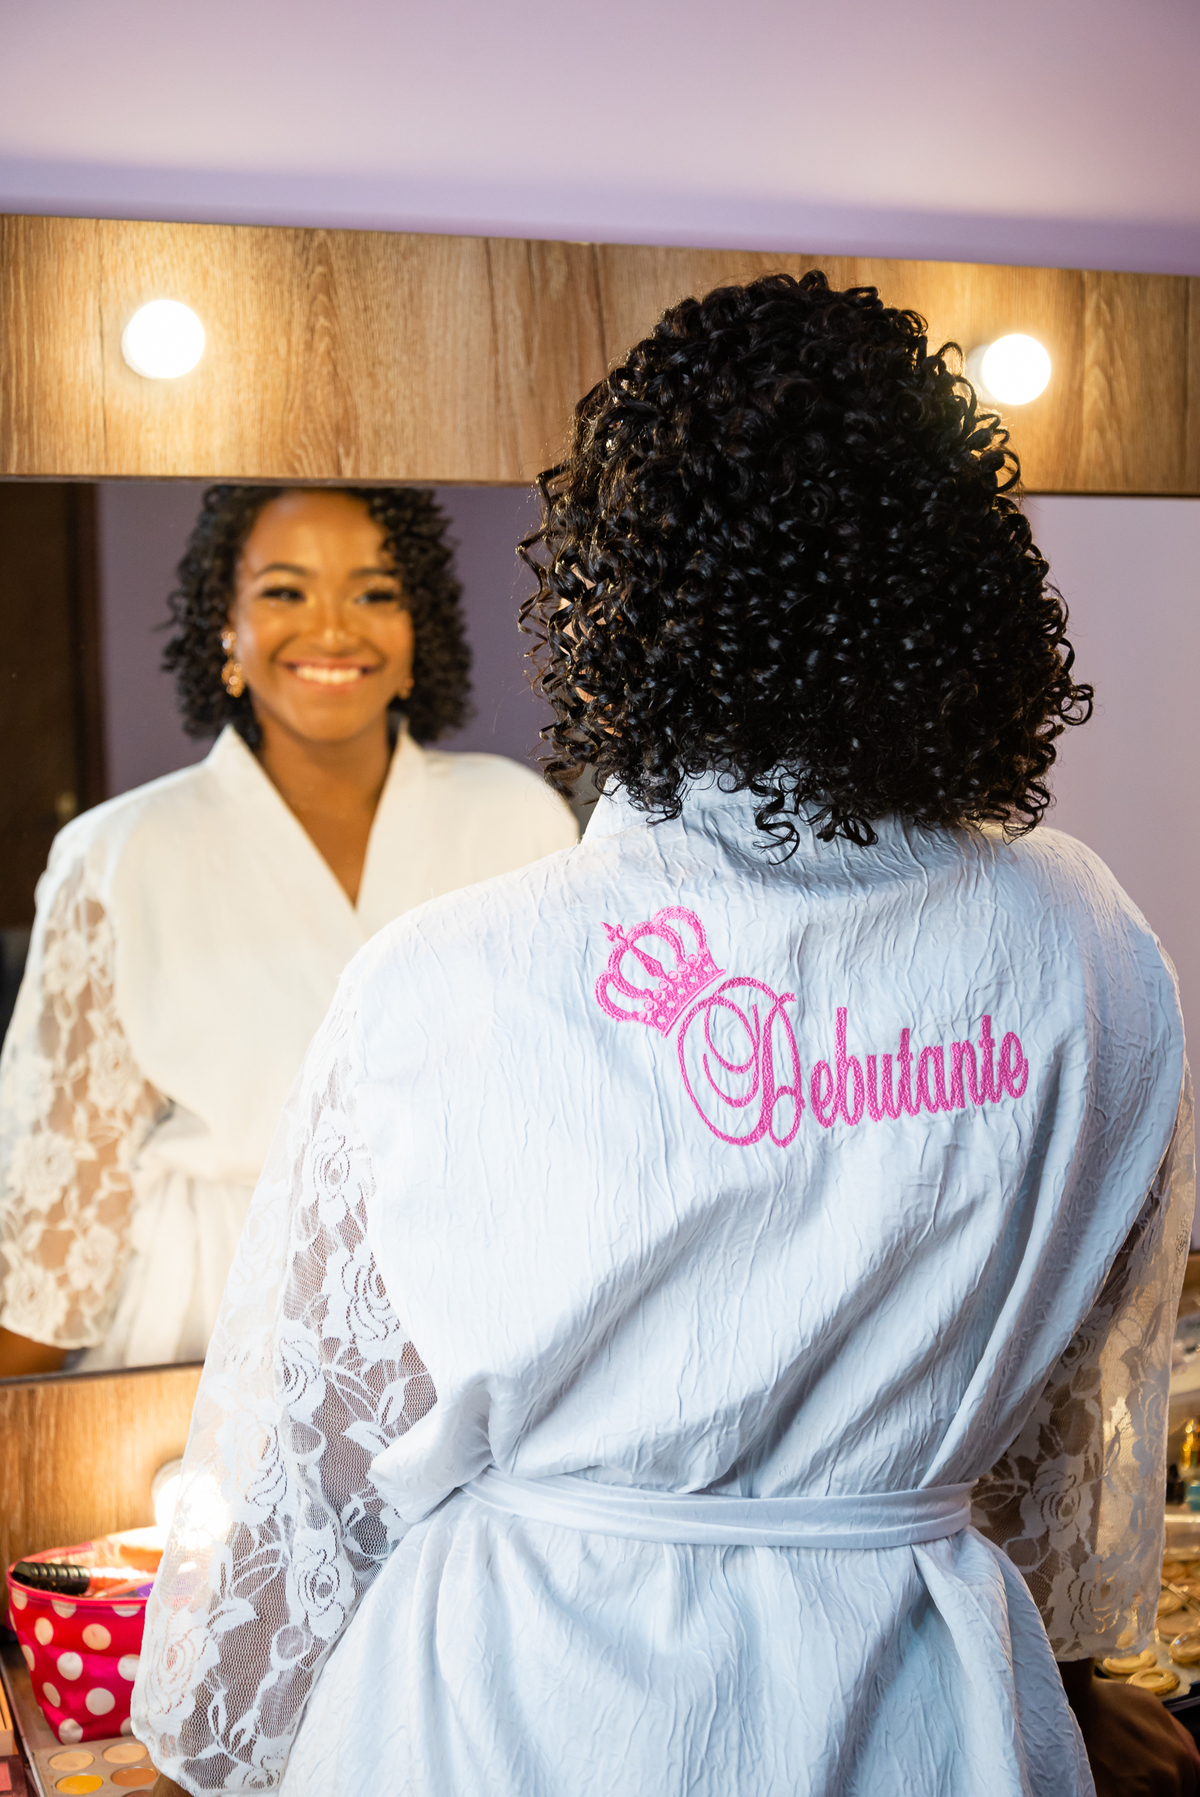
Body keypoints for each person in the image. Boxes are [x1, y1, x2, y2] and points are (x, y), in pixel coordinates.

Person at [135, 276, 1195, 1797]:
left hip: (505, 1719)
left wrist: (214, 1753)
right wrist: (1071, 1663)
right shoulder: (1084, 945)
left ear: (616, 595)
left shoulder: (442, 982)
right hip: (928, 1708)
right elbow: (1082, 1393)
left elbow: (317, 1470)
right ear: (961, 581)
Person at [0, 485, 576, 1375]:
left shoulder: (519, 822)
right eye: (284, 590)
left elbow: (571, 1116)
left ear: (418, 628)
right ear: (224, 627)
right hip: (211, 1329)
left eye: (374, 592)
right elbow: (61, 1194)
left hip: (471, 1314)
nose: (333, 627)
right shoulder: (118, 853)